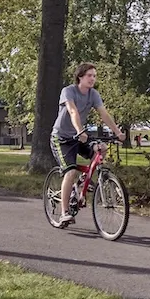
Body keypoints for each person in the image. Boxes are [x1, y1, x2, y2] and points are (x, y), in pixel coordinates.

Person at [51, 63, 126, 226]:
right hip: (62, 138)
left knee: (102, 148)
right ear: (80, 77)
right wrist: (79, 130)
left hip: (80, 136)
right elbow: (72, 111)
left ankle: (82, 181)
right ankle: (64, 213)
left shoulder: (93, 94)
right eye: (89, 75)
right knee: (70, 172)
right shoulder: (68, 91)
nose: (92, 79)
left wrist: (117, 132)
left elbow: (103, 113)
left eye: (94, 76)